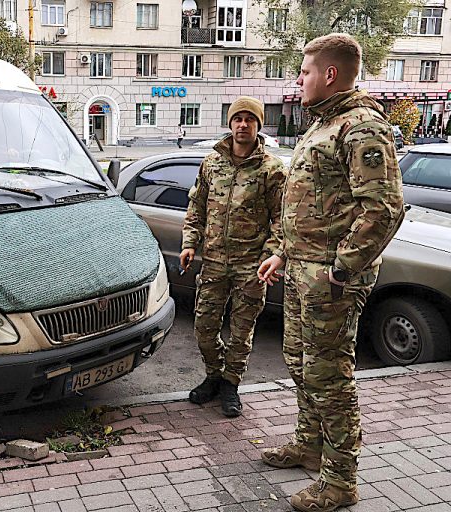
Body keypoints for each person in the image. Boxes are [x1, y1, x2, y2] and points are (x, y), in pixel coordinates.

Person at [257, 34, 404, 512]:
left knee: (329, 377)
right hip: (302, 270)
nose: (298, 80)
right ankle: (308, 445)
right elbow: (307, 203)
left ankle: (340, 481)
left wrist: (342, 270)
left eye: (304, 72)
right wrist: (282, 252)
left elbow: (382, 209)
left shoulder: (361, 127)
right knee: (301, 365)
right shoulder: (323, 124)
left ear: (330, 74)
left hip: (329, 282)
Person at [180, 97, 285, 418]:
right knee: (204, 328)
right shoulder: (211, 164)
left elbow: (282, 219)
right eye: (237, 119)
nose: (243, 124)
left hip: (251, 268)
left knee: (241, 332)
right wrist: (189, 244)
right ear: (229, 123)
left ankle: (231, 384)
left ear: (258, 125)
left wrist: (273, 256)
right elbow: (196, 207)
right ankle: (213, 375)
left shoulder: (272, 169)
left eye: (249, 119)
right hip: (213, 262)